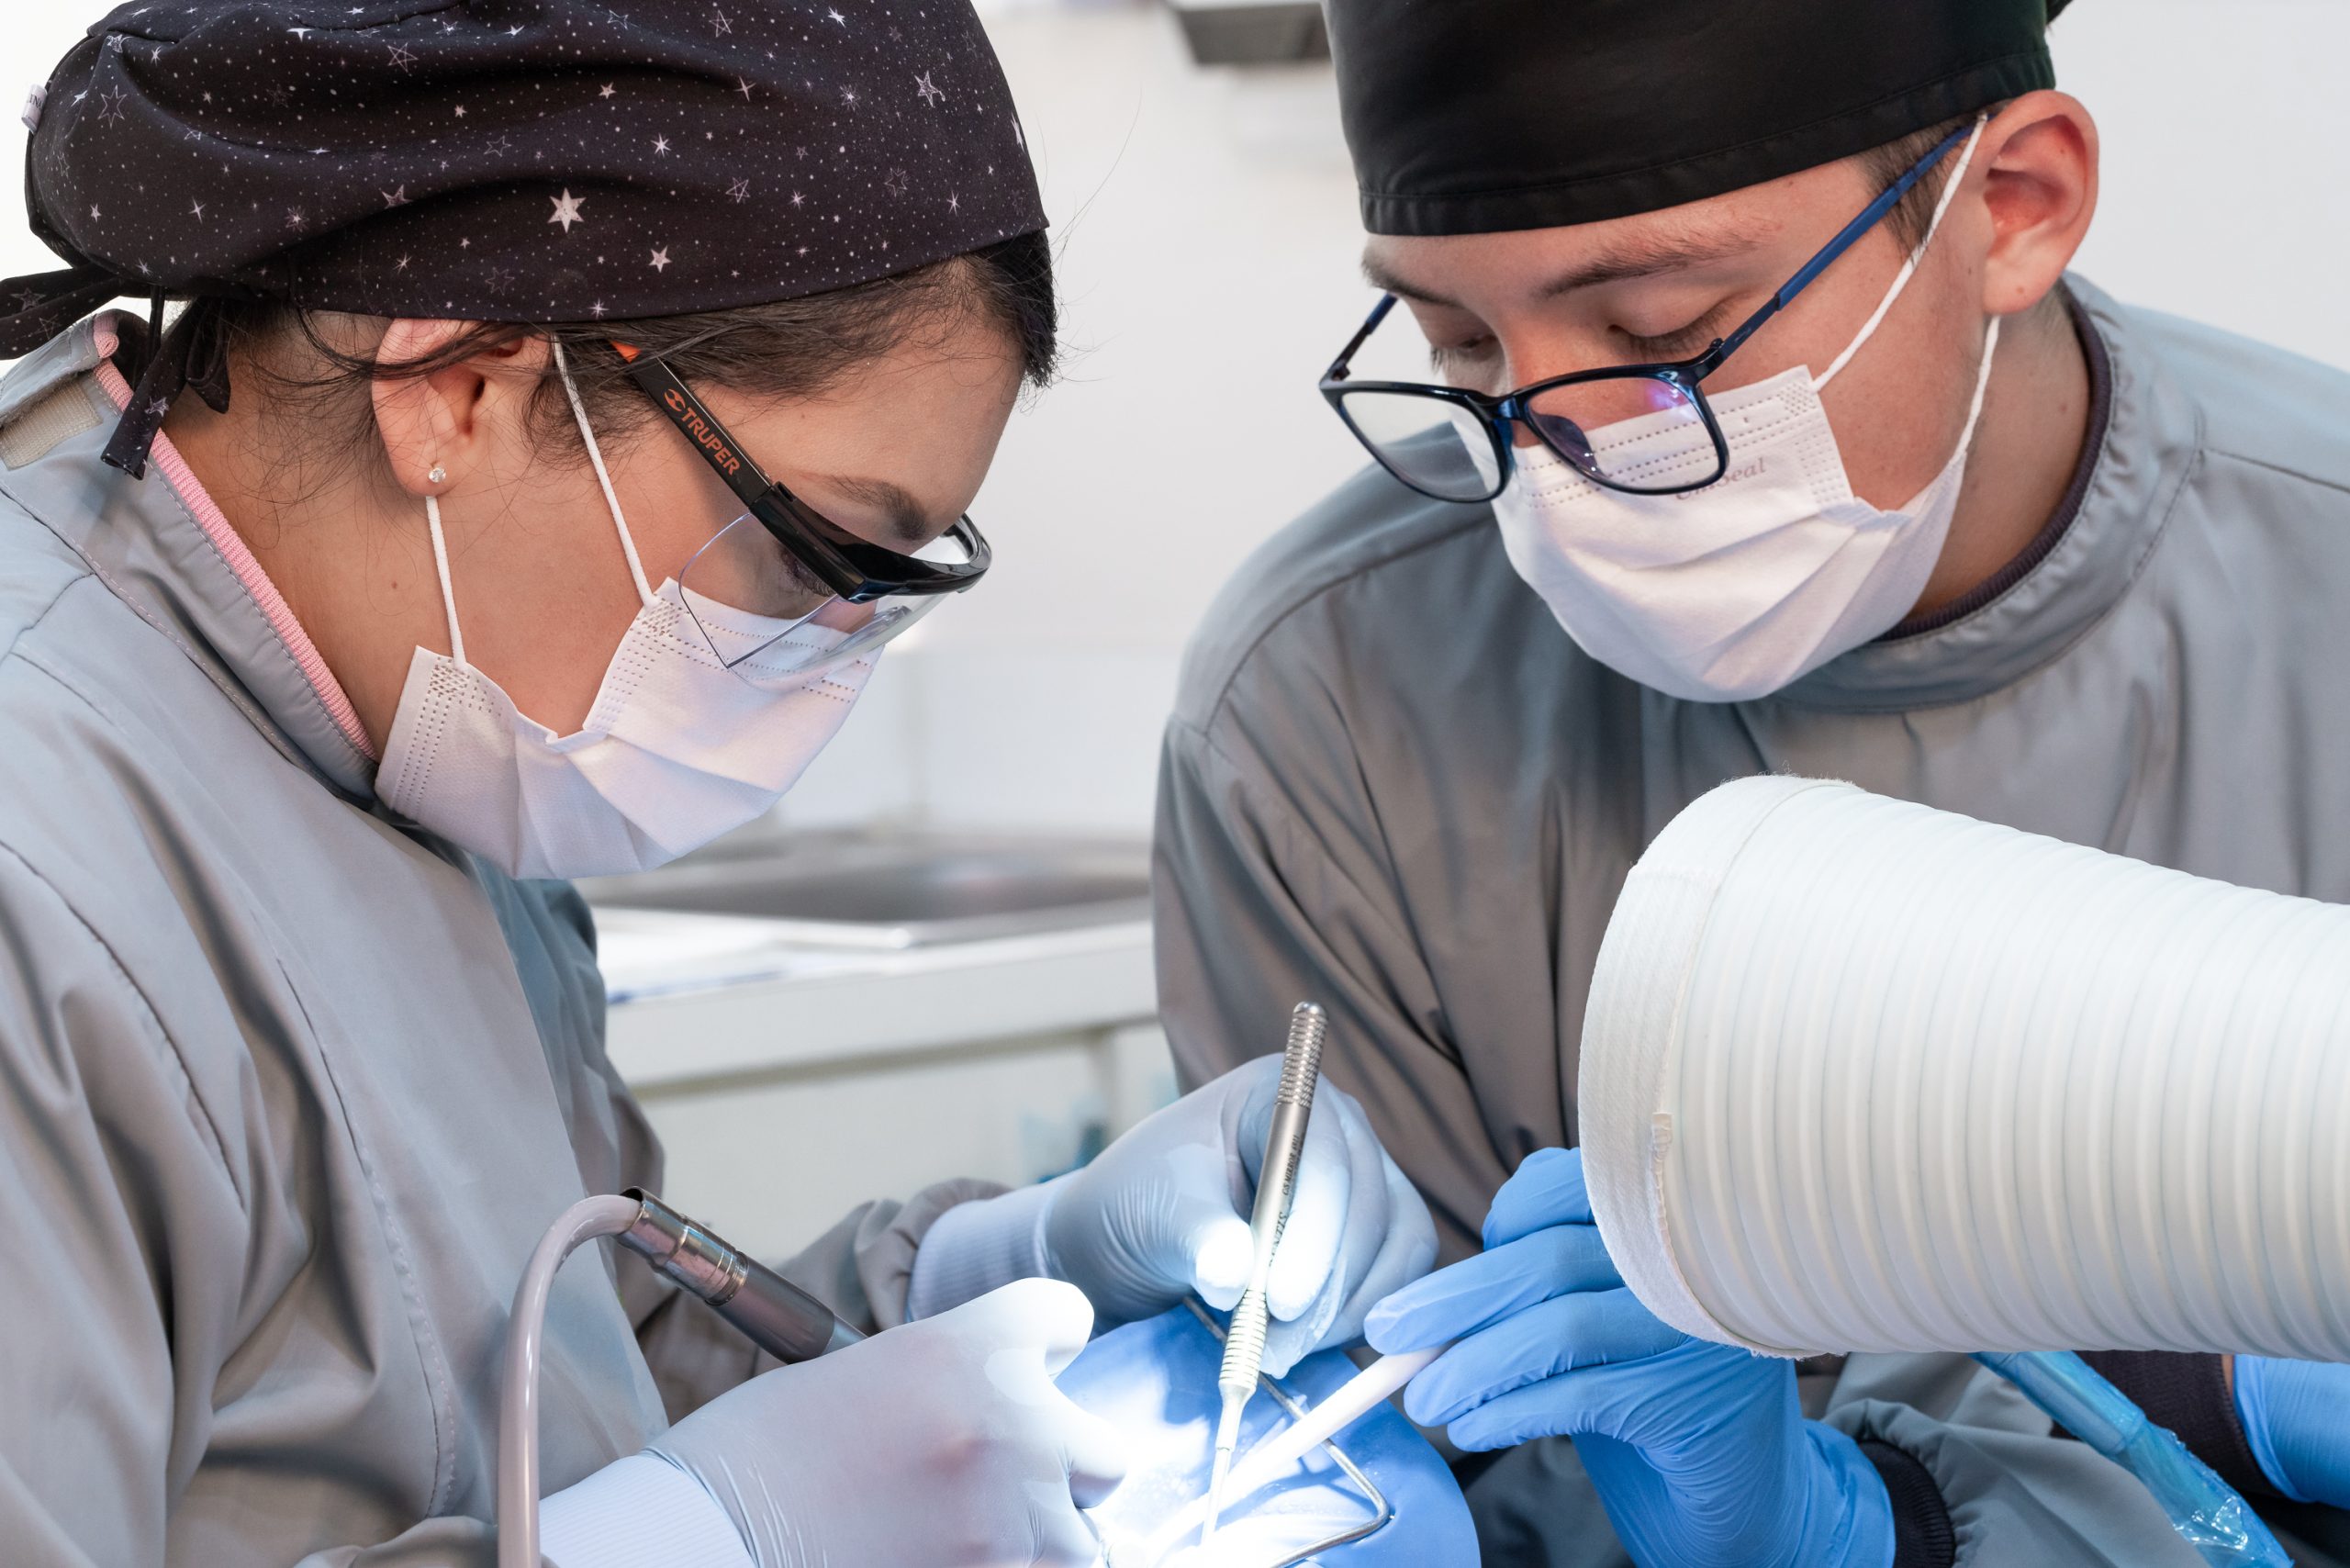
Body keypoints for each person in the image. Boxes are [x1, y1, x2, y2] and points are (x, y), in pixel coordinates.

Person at [0, 4, 1435, 1565]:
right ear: (455, 383)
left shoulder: (417, 726)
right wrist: (706, 1539)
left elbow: (553, 1357)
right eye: (813, 554)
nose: (824, 657)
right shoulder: (44, 872)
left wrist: (985, 1277)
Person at [1151, 1, 2350, 1563]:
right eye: (1461, 345)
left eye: (1658, 331)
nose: (1553, 440)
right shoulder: (1327, 706)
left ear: (2013, 206)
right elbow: (1392, 1472)